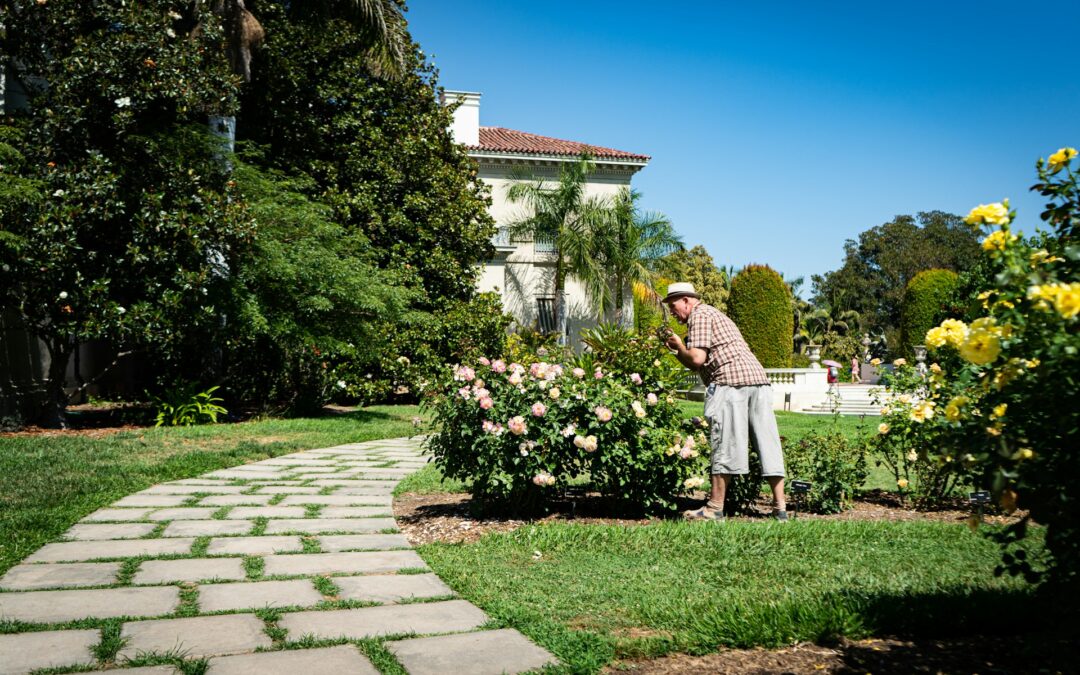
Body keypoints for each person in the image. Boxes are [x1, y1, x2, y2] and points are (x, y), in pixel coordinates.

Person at [662, 282, 787, 521]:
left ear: (687, 301)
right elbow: (693, 360)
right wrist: (678, 350)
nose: (672, 312)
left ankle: (714, 508)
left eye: (673, 305)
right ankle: (780, 508)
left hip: (730, 383)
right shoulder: (715, 314)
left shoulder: (699, 316)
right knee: (767, 442)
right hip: (758, 381)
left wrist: (679, 345)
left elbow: (697, 359)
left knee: (725, 444)